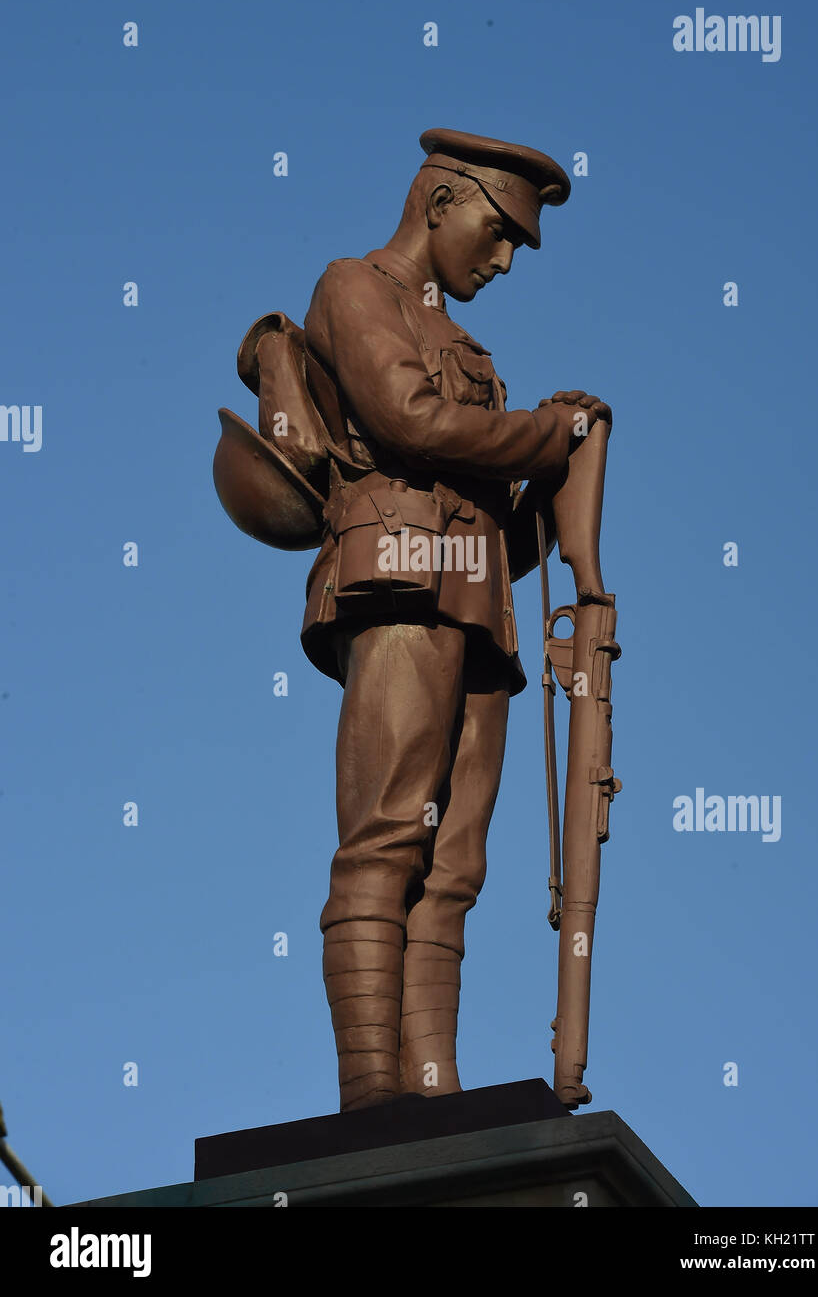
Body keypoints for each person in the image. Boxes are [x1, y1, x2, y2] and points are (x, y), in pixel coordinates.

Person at [299, 128, 611, 1111]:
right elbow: (409, 424)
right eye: (499, 228)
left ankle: (433, 1090)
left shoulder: (467, 346)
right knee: (387, 839)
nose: (504, 256)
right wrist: (540, 435)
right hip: (395, 584)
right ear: (440, 200)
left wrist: (549, 472)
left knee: (454, 864)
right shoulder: (355, 288)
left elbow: (492, 532)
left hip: (478, 614)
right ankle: (371, 1091)